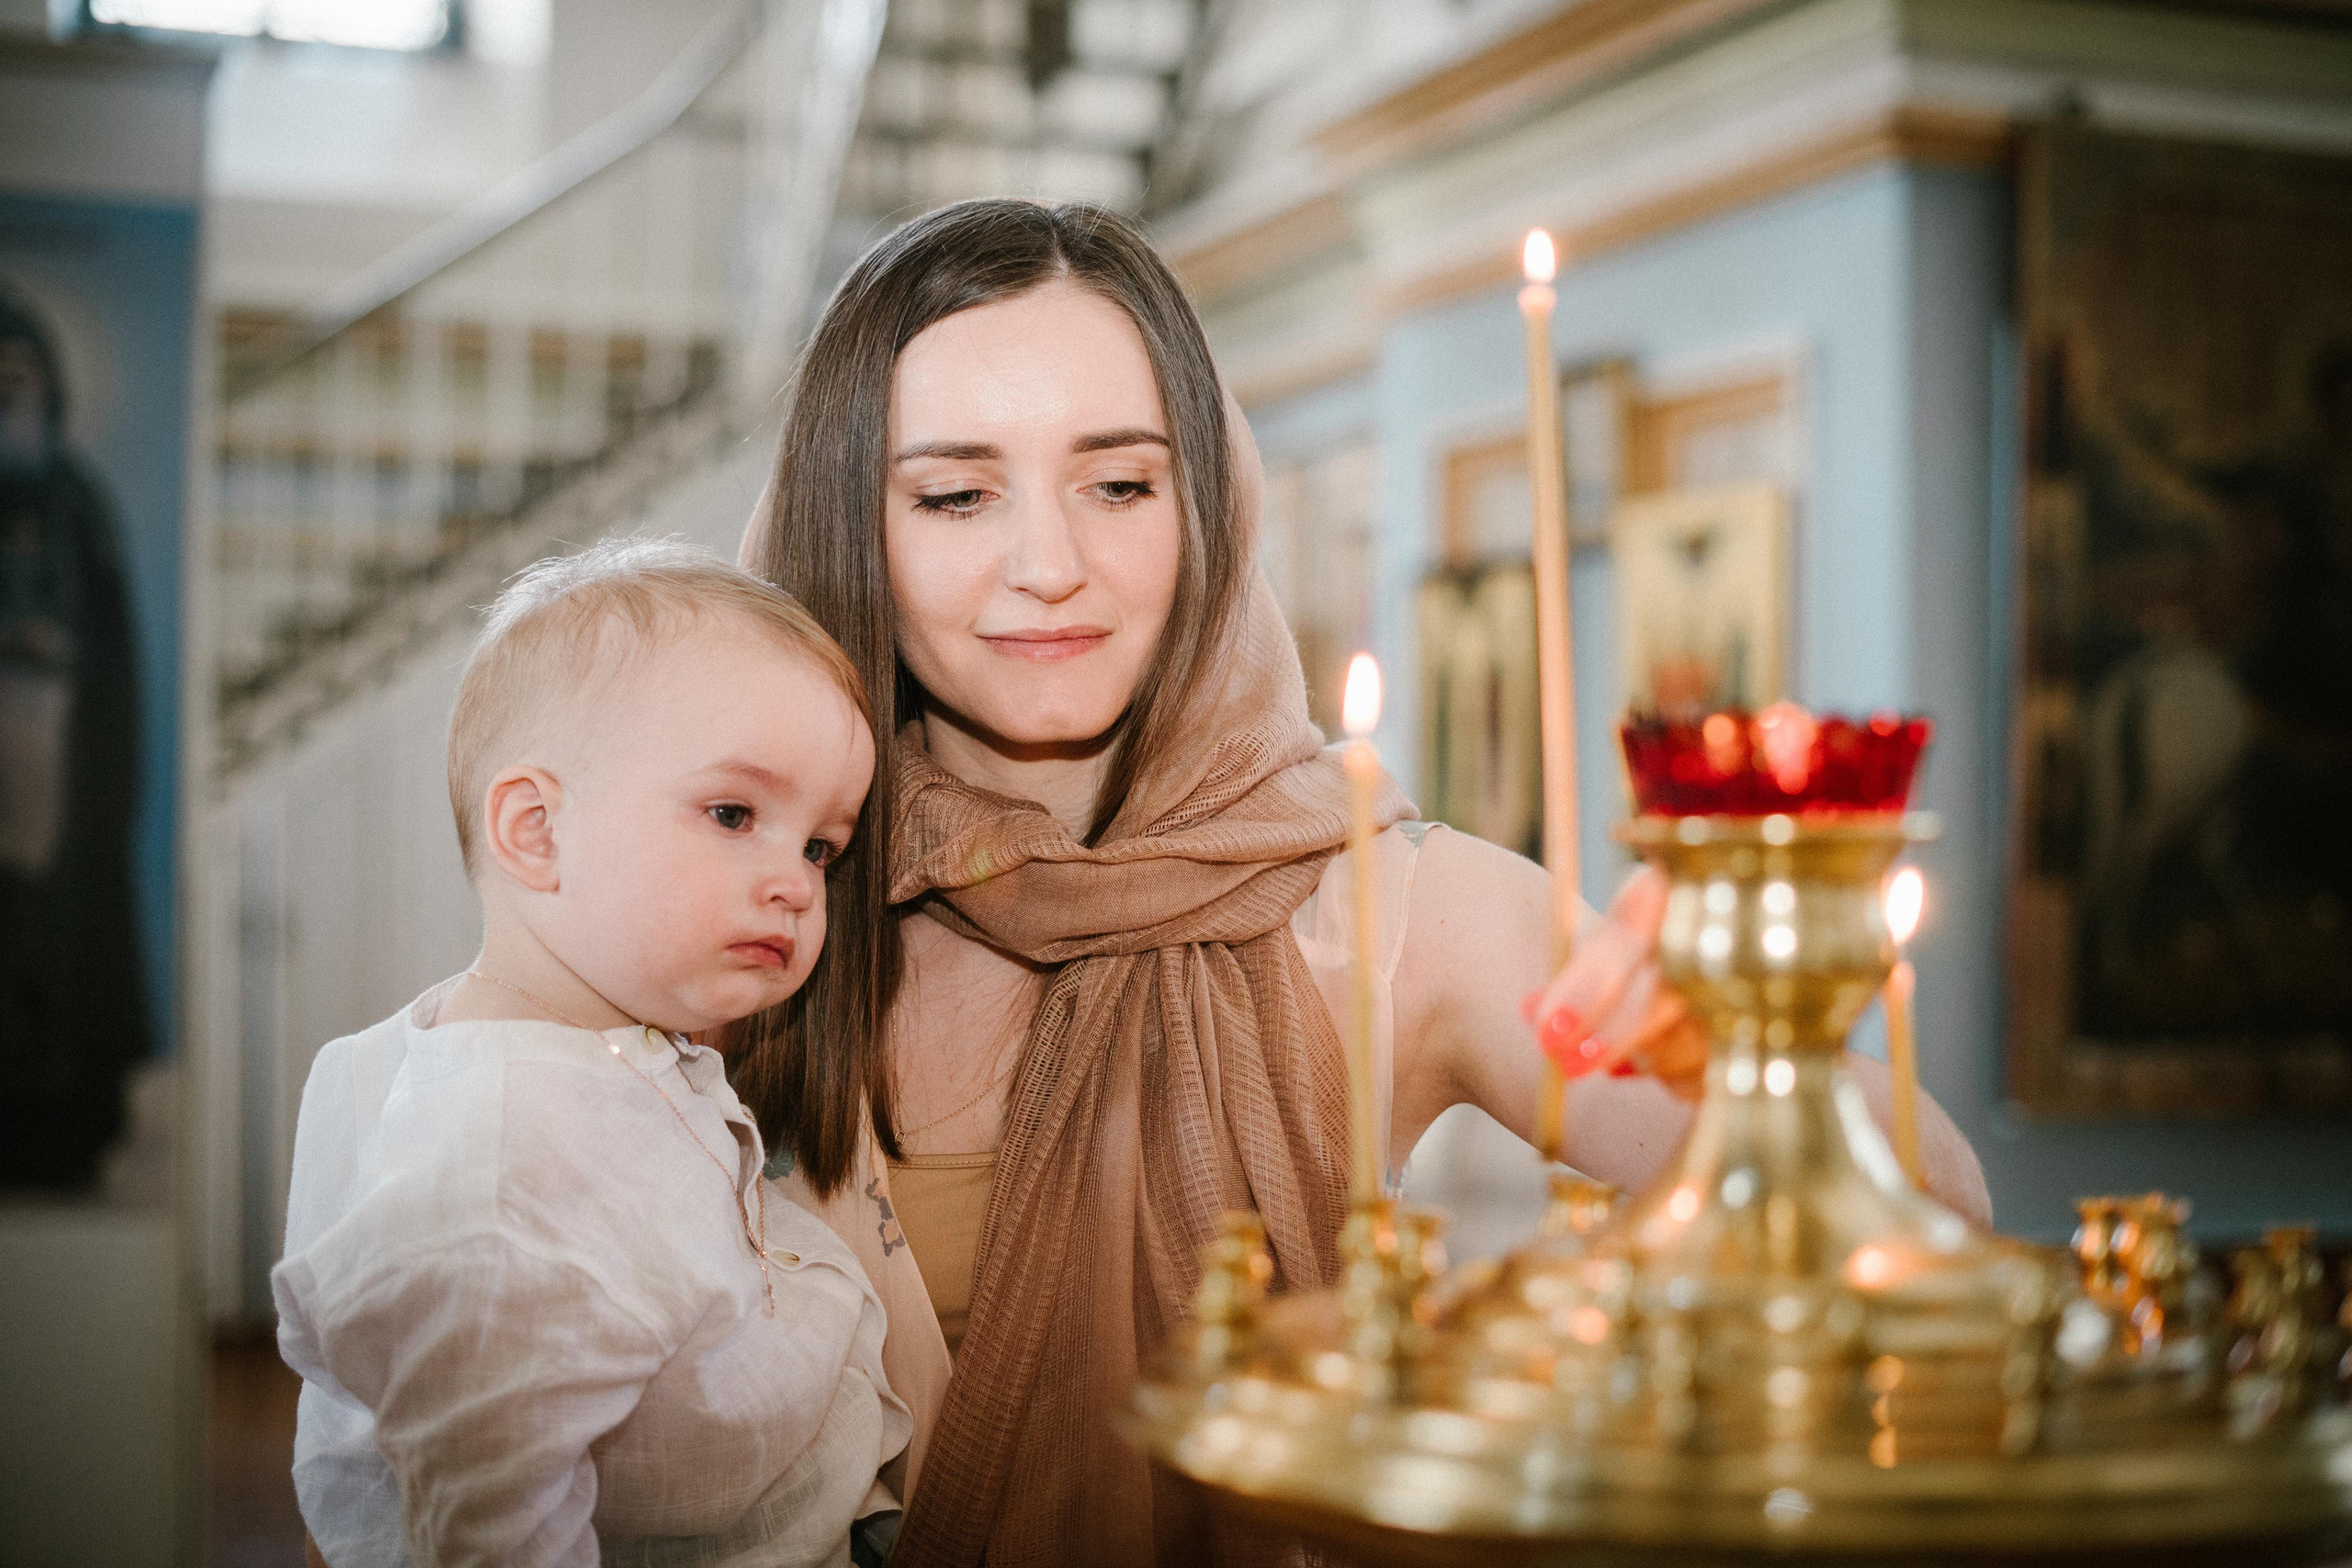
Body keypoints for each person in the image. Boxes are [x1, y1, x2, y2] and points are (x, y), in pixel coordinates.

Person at [736, 199, 1991, 1566]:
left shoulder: (1372, 907)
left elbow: (1935, 1193)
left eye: (1120, 483)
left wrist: (1741, 1044)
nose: (1051, 566)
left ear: (1208, 504)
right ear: (850, 525)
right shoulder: (761, 888)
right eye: (957, 493)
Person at [273, 539, 909, 1567]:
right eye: (734, 813)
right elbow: (491, 1533)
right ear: (536, 831)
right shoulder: (497, 1172)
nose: (795, 881)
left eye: (818, 845)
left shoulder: (594, 1045)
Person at [0, 287, 151, 1190]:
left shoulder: (80, 503)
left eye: (20, 376)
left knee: (58, 939)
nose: (7, 392)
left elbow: (112, 643)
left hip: (59, 751)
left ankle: (59, 1129)